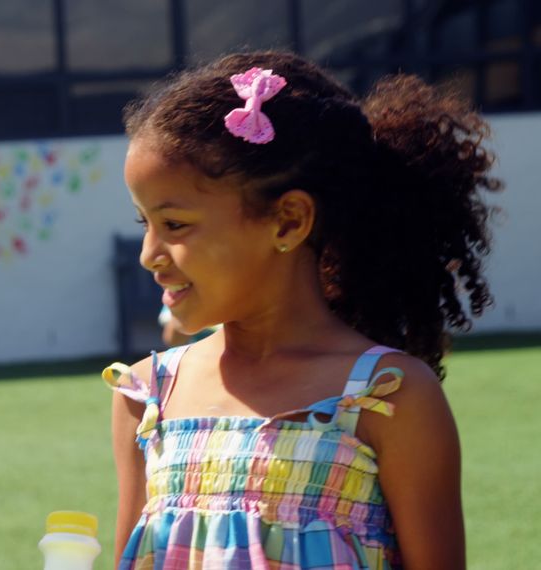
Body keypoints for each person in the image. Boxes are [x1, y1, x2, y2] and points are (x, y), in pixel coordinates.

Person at [106, 51, 499, 569]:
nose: (148, 254)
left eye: (174, 225)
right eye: (144, 224)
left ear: (289, 221)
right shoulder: (146, 397)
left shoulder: (384, 398)